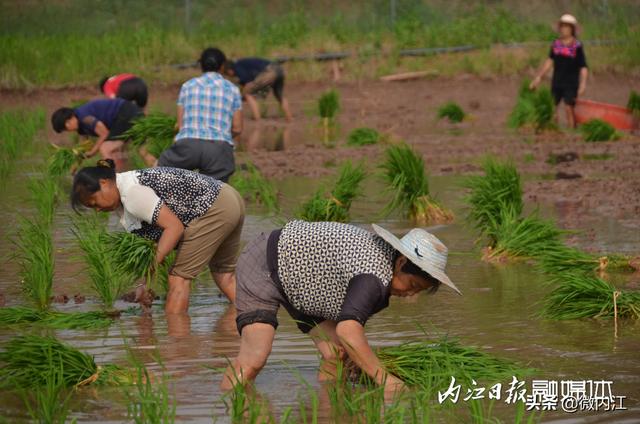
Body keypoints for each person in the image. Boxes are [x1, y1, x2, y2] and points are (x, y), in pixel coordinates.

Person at [221, 220, 461, 398]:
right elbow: (349, 331)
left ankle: (328, 410)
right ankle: (226, 404)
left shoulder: (384, 269)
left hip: (305, 281)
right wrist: (386, 381)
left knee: (336, 354)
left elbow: (348, 340)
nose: (410, 295)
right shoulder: (374, 277)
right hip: (265, 262)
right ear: (400, 263)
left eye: (417, 291)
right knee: (254, 357)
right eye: (412, 285)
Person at [71, 159, 245, 314]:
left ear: (104, 183)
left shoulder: (132, 194)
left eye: (95, 202)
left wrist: (152, 267)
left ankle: (175, 343)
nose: (98, 209)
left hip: (213, 208)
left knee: (178, 278)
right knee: (225, 275)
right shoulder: (126, 194)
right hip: (228, 198)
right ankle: (252, 317)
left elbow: (174, 228)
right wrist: (144, 285)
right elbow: (152, 248)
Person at [157, 48, 242, 183]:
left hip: (187, 146)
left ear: (201, 65)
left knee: (160, 172)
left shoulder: (187, 86)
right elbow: (237, 128)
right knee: (213, 194)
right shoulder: (232, 89)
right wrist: (222, 136)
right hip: (218, 149)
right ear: (222, 66)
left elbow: (180, 126)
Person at [530, 14, 588, 128]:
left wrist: (583, 84)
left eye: (567, 26)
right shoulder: (556, 44)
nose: (564, 29)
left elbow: (583, 66)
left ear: (572, 29)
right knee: (552, 108)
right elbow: (549, 61)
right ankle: (554, 132)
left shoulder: (577, 46)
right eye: (562, 26)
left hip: (571, 83)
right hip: (557, 82)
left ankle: (572, 132)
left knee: (568, 108)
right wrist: (539, 77)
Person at [51, 98, 143, 165]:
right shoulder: (80, 125)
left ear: (67, 123)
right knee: (143, 150)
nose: (68, 131)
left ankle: (113, 181)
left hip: (125, 113)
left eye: (65, 129)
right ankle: (156, 171)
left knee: (105, 148)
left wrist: (93, 152)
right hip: (131, 112)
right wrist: (76, 164)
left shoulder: (84, 117)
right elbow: (83, 147)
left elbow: (104, 133)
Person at [222, 57, 293, 121]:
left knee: (248, 94)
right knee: (279, 95)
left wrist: (242, 96)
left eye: (227, 74)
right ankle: (289, 118)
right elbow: (248, 81)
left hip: (270, 71)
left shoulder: (237, 67)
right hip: (279, 69)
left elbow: (247, 83)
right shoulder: (242, 65)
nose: (230, 76)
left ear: (229, 70)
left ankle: (257, 119)